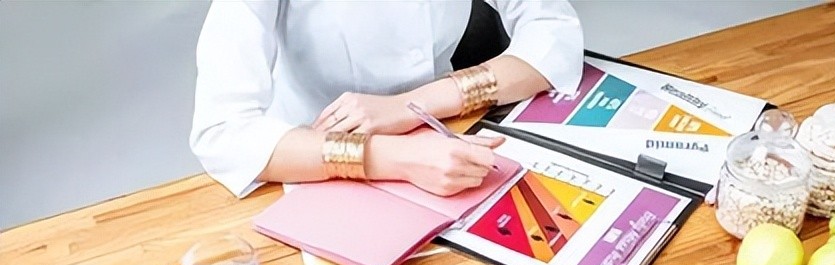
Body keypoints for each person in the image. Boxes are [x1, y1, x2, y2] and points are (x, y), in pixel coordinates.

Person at [190, 1, 584, 198]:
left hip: (446, 136)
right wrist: (397, 158)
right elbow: (222, 132)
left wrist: (417, 104)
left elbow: (554, 34)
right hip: (312, 157)